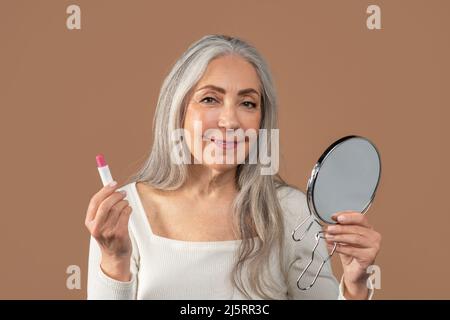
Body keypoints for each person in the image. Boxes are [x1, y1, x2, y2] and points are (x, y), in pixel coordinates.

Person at [85, 35, 381, 300]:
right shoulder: (123, 216)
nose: (229, 121)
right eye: (210, 99)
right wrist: (114, 260)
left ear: (262, 121)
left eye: (248, 103)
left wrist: (355, 287)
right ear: (178, 110)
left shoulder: (292, 212)